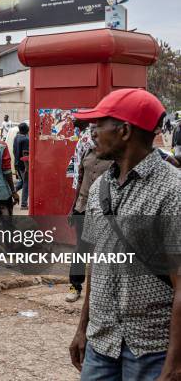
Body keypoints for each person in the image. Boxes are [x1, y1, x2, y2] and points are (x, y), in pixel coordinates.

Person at [69, 89, 181, 380]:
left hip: (152, 350)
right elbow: (96, 262)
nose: (92, 133)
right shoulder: (98, 189)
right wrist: (83, 328)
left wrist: (175, 364)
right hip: (101, 345)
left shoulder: (173, 191)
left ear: (125, 131)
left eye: (99, 125)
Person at [65, 120, 112, 304]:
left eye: (96, 131)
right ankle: (75, 286)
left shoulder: (114, 158)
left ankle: (101, 292)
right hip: (82, 208)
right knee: (80, 249)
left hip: (102, 212)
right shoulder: (87, 152)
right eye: (91, 131)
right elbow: (80, 181)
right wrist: (72, 207)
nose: (93, 134)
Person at [12, 122, 29, 210]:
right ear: (27, 130)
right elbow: (25, 154)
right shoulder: (26, 139)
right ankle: (24, 204)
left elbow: (14, 151)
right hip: (23, 165)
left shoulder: (16, 137)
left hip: (17, 164)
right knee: (27, 183)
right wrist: (27, 168)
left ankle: (12, 191)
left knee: (22, 182)